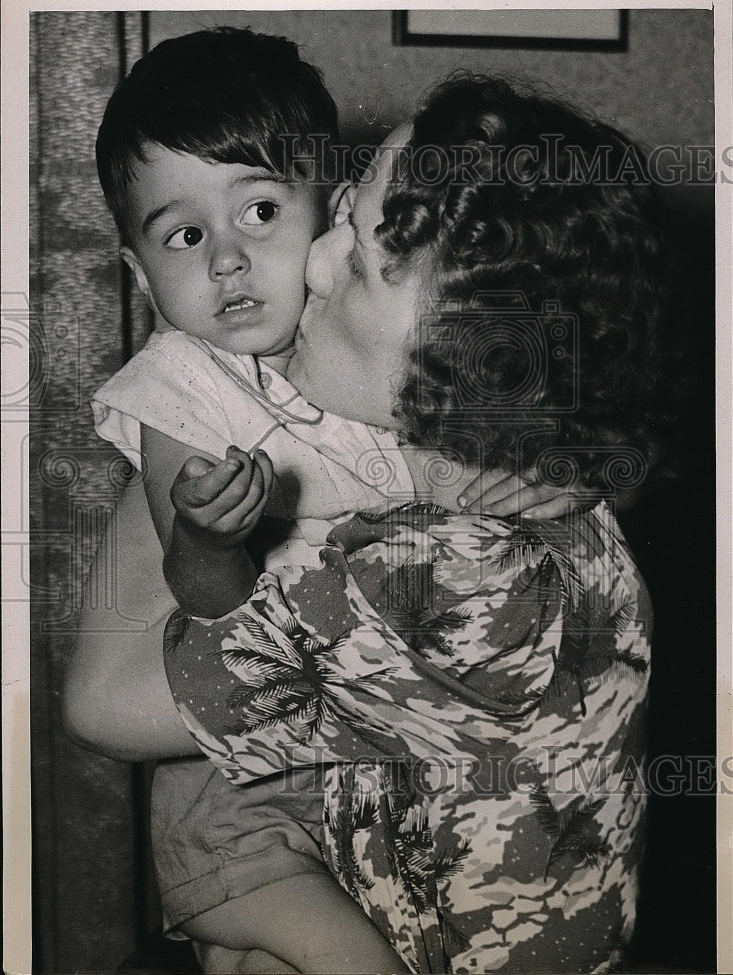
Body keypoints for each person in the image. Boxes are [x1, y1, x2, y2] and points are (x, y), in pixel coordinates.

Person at [65, 72, 665, 973]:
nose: (311, 262)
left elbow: (100, 706)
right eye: (342, 212)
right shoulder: (543, 500)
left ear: (468, 348)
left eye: (357, 262)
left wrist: (177, 426)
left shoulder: (417, 583)